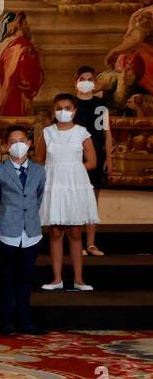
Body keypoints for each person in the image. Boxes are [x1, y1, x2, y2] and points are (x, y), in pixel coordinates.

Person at [35, 93, 99, 291]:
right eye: (59, 108)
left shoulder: (82, 133)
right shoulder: (46, 132)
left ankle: (79, 280)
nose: (64, 111)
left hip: (74, 187)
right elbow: (39, 161)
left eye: (68, 108)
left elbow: (92, 162)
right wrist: (55, 170)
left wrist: (73, 169)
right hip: (54, 186)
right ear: (54, 110)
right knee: (55, 232)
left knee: (75, 232)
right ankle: (57, 279)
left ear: (75, 110)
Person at [0, 125, 46, 335]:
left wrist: (28, 217)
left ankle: (26, 320)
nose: (18, 145)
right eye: (12, 142)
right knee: (7, 277)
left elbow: (39, 197)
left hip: (31, 232)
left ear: (29, 143)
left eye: (22, 140)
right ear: (6, 146)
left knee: (26, 278)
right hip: (7, 232)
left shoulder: (39, 170)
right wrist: (2, 222)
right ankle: (6, 321)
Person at [73, 66, 109, 256]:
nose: (86, 81)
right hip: (76, 158)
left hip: (97, 156)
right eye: (82, 78)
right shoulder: (71, 105)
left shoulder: (100, 105)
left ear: (95, 83)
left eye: (89, 79)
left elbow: (106, 133)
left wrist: (108, 158)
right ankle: (77, 243)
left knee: (92, 202)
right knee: (77, 200)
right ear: (76, 82)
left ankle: (92, 244)